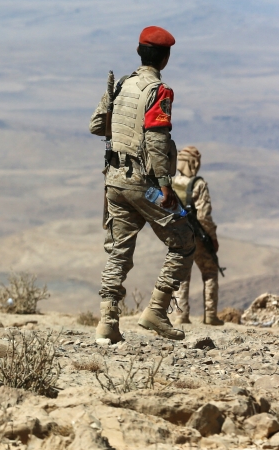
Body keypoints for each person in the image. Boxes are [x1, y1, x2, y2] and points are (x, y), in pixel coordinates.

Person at [89, 25, 196, 343]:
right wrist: (164, 186)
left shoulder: (121, 84)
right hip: (143, 183)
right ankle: (156, 312)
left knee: (118, 251)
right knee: (185, 240)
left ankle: (108, 323)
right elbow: (155, 139)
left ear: (139, 52)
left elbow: (97, 125)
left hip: (114, 180)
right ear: (165, 58)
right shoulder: (158, 91)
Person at [171, 146, 223, 325]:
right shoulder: (198, 184)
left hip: (177, 235)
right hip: (196, 236)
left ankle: (181, 315)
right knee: (209, 271)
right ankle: (210, 315)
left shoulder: (172, 183)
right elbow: (203, 216)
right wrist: (212, 238)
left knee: (182, 275)